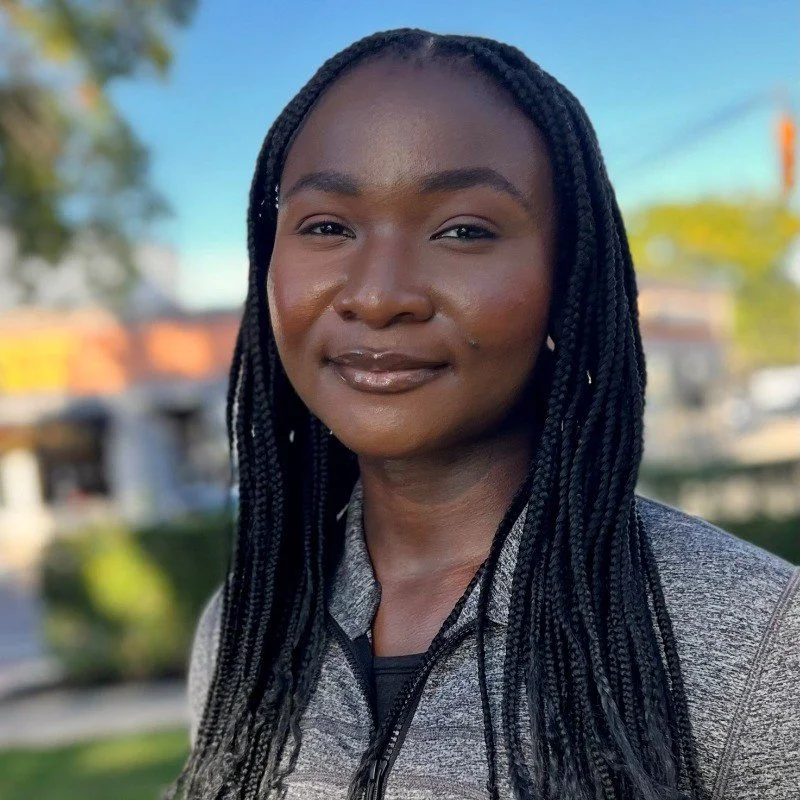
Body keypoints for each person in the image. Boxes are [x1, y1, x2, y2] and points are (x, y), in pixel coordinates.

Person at [166, 28, 800, 800]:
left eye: (464, 230)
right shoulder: (244, 628)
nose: (379, 294)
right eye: (327, 227)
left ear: (565, 277)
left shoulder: (757, 642)